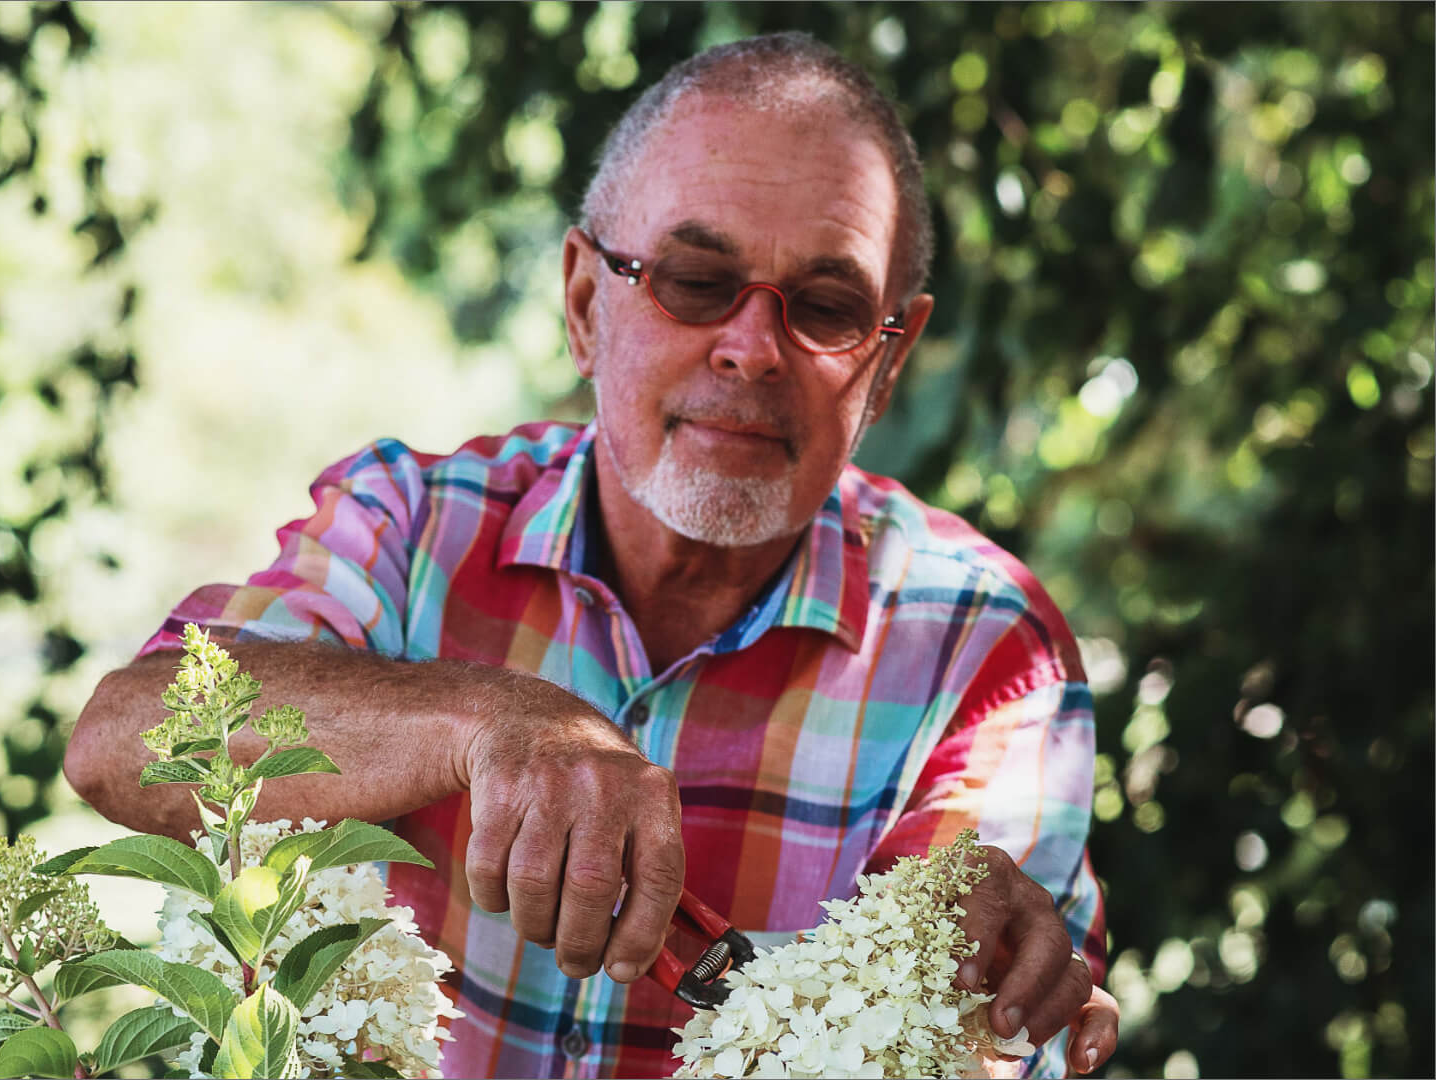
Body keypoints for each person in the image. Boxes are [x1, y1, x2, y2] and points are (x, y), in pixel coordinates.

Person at [66, 30, 1119, 1080]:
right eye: (697, 281)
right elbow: (122, 741)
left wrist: (982, 962)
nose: (752, 346)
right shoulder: (410, 526)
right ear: (583, 303)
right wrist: (487, 721)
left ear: (888, 362)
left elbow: (964, 1026)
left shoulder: (984, 653)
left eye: (829, 309)